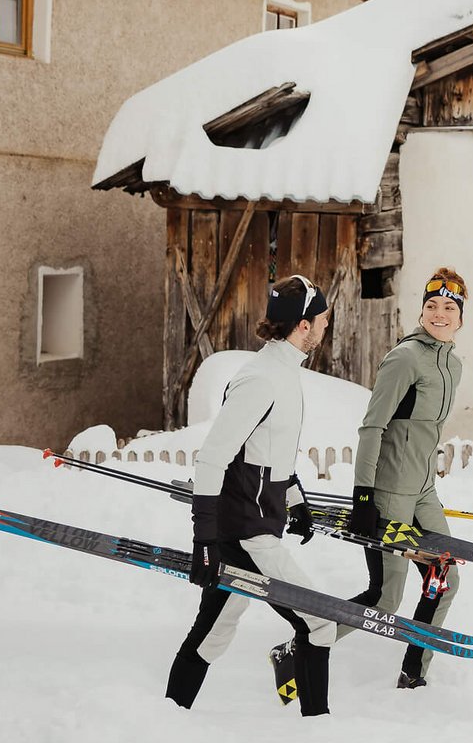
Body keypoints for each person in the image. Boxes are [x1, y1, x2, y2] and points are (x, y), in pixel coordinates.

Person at [166, 275, 336, 715]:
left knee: (213, 633)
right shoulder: (261, 378)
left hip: (252, 524)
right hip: (246, 535)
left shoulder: (281, 371)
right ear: (303, 325)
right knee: (319, 625)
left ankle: (168, 717)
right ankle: (319, 729)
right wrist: (204, 540)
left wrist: (294, 500)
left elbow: (266, 450)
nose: (325, 325)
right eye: (321, 318)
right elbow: (213, 459)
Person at [344, 267, 467, 689]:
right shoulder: (405, 358)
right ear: (422, 311)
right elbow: (372, 427)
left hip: (424, 491)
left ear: (461, 318)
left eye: (449, 307)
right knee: (386, 596)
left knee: (444, 580)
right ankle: (306, 644)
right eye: (431, 305)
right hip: (388, 490)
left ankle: (414, 672)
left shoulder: (453, 364)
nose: (439, 313)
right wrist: (363, 496)